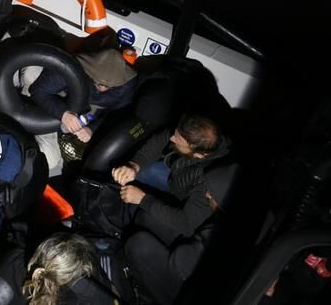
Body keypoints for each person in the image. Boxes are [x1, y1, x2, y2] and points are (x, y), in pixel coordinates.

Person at [124, 162, 238, 305]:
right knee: (147, 218)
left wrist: (143, 199)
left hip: (196, 293)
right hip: (194, 253)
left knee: (138, 245)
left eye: (213, 193)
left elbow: (181, 263)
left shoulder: (224, 234)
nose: (207, 194)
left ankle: (146, 295)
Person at [111, 114, 231, 243]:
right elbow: (161, 139)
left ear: (199, 155)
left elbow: (187, 224)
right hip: (177, 173)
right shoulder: (192, 136)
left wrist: (142, 199)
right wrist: (134, 166)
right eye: (175, 133)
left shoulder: (210, 186)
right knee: (139, 173)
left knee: (145, 216)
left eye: (177, 140)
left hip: (181, 198)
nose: (172, 137)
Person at [30, 47, 138, 145]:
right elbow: (38, 90)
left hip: (93, 114)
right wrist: (63, 113)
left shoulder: (127, 84)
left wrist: (92, 128)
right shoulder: (74, 69)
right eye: (99, 83)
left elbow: (118, 113)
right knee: (30, 75)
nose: (103, 88)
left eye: (109, 86)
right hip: (60, 100)